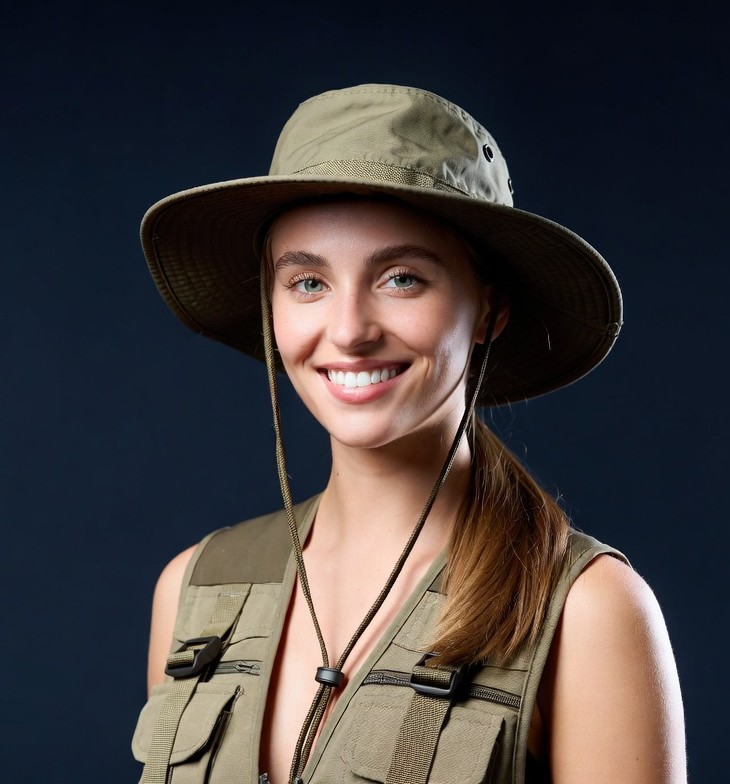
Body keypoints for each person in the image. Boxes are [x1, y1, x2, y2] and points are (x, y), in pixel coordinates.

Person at [132, 84, 688, 784]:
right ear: (270, 307)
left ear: (487, 310)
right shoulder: (195, 589)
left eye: (401, 278)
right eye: (308, 283)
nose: (349, 331)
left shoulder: (586, 610)